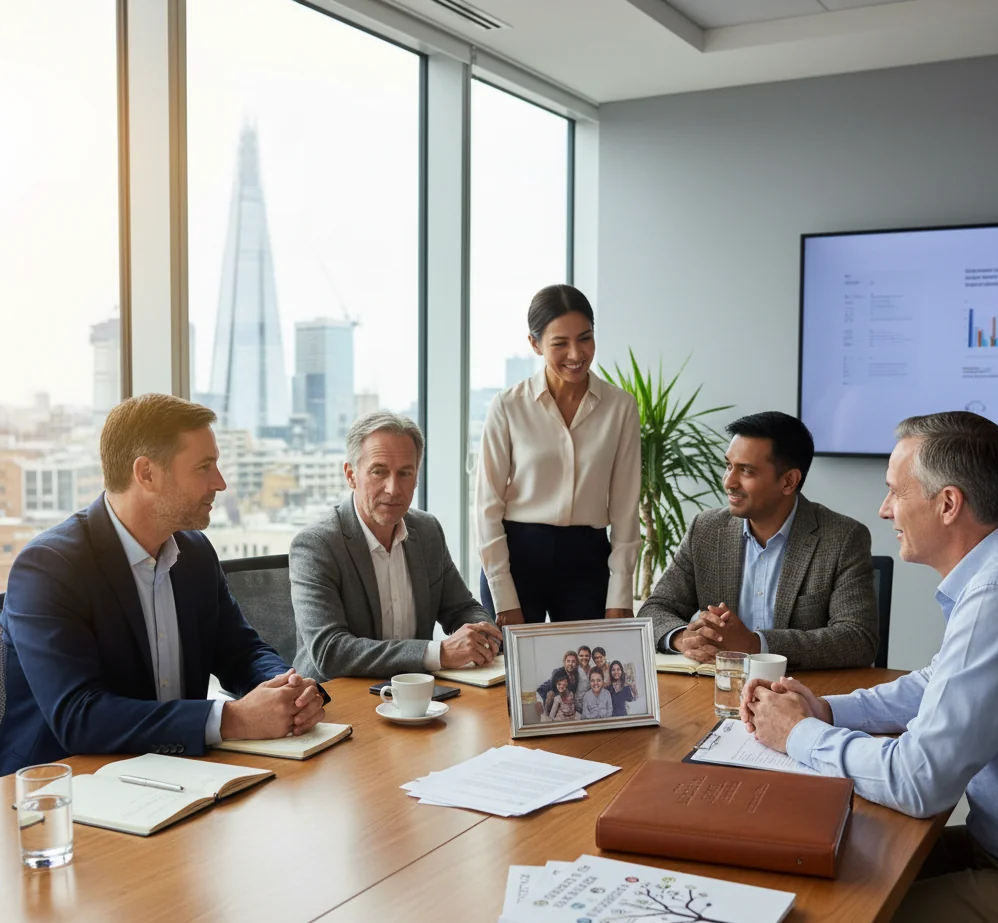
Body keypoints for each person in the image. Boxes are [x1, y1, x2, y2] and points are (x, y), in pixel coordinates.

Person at [740, 411, 998, 923]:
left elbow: (918, 783)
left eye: (895, 491)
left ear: (948, 503)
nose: (884, 509)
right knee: (846, 880)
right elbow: (932, 686)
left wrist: (799, 735)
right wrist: (826, 708)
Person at [0, 394, 326, 775]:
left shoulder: (195, 553)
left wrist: (290, 689)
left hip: (177, 774)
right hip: (63, 786)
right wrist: (232, 719)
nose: (219, 483)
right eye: (204, 467)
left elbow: (242, 652)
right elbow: (79, 716)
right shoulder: (49, 567)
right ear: (147, 473)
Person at [639, 411, 878, 671]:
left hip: (800, 693)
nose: (729, 482)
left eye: (746, 471)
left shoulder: (842, 538)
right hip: (717, 689)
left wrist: (756, 644)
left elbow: (858, 639)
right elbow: (655, 609)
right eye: (729, 465)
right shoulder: (706, 530)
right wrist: (682, 637)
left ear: (789, 481)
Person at [290, 412, 502, 681]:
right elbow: (331, 652)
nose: (393, 488)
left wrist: (480, 634)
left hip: (417, 697)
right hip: (337, 702)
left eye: (405, 473)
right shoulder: (317, 545)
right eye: (379, 472)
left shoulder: (426, 531)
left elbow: (460, 608)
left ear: (416, 478)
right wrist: (440, 653)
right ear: (351, 475)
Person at [476, 284, 641, 626]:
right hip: (517, 558)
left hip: (587, 561)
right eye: (560, 343)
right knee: (513, 676)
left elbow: (626, 507)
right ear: (535, 344)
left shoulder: (620, 407)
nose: (576, 354)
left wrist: (620, 595)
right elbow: (487, 505)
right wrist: (503, 596)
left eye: (585, 338)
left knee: (590, 676)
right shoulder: (507, 406)